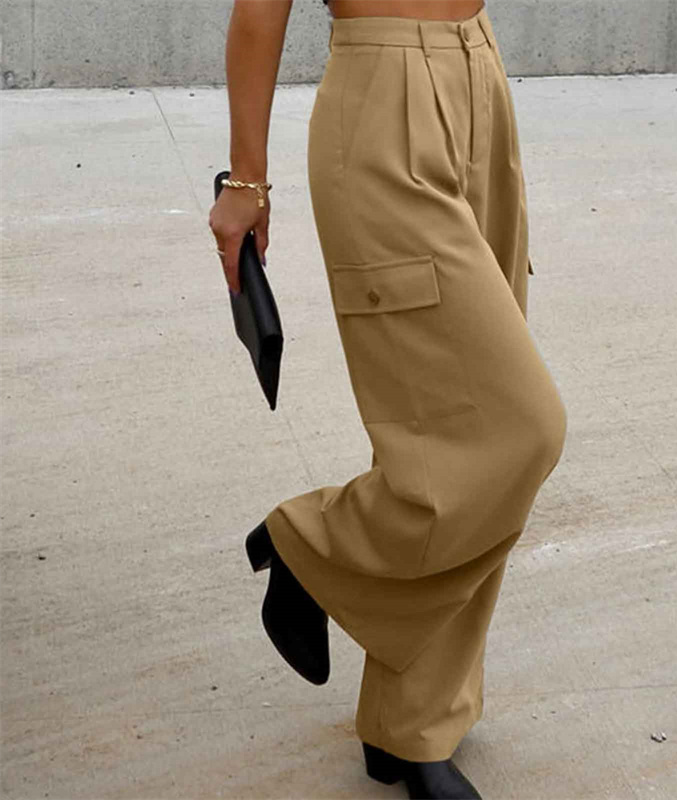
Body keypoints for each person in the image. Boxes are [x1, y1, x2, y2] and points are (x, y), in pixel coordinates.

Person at [208, 1, 567, 798]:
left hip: (479, 75)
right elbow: (259, 11)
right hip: (382, 104)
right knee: (519, 430)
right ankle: (310, 546)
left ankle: (412, 726)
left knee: (450, 435)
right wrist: (245, 180)